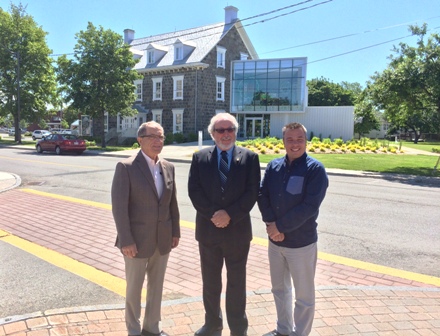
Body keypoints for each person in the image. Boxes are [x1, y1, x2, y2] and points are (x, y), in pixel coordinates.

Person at [188, 113, 261, 336]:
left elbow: (252, 192)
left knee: (237, 283)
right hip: (208, 232)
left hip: (238, 232)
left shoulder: (250, 158)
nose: (226, 134)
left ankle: (238, 327)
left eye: (230, 129)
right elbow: (194, 191)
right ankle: (212, 324)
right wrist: (214, 214)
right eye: (220, 130)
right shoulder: (199, 158)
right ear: (212, 134)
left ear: (235, 132)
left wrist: (229, 214)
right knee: (210, 283)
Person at [258, 122, 328, 336]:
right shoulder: (274, 166)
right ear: (283, 141)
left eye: (299, 139)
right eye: (290, 139)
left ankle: (301, 333)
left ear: (306, 141)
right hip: (275, 243)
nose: (295, 144)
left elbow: (309, 207)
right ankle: (283, 330)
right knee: (279, 290)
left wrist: (279, 226)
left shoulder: (315, 170)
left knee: (304, 296)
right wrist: (271, 225)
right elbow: (262, 195)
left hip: (301, 244)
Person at [111, 121, 180, 336]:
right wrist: (126, 240)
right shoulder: (127, 167)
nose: (158, 141)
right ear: (140, 139)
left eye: (161, 137)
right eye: (153, 137)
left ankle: (152, 328)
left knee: (156, 288)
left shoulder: (168, 167)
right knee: (134, 290)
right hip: (136, 242)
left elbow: (172, 203)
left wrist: (175, 231)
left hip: (163, 239)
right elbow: (119, 208)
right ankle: (133, 330)